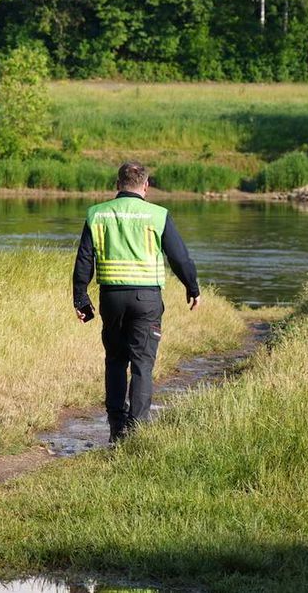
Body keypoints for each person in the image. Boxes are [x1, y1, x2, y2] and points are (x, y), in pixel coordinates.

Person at [72, 162, 201, 443]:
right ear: (146, 186)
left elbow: (84, 260)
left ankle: (117, 429)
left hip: (112, 298)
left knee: (116, 361)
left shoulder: (97, 214)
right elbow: (178, 257)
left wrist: (81, 298)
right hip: (147, 299)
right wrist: (192, 286)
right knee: (142, 363)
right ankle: (137, 431)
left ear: (117, 184)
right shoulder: (158, 215)